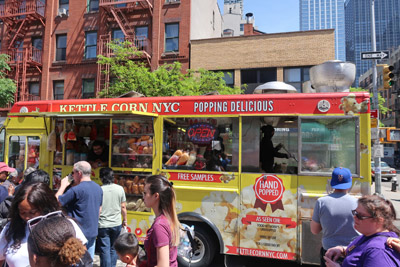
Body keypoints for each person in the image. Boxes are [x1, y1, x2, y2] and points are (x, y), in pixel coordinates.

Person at [0, 182, 87, 267]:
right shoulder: (11, 229)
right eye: (22, 212)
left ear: (45, 208)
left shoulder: (65, 225)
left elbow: (82, 257)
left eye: (32, 212)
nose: (27, 217)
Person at [324, 194, 400, 267]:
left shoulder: (378, 251)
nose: (354, 217)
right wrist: (342, 250)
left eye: (360, 216)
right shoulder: (368, 235)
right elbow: (360, 251)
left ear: (379, 221)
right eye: (355, 213)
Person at [311, 167, 360, 267]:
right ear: (350, 182)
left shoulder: (321, 202)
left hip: (329, 253)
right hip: (353, 251)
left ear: (332, 182)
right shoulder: (358, 203)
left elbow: (314, 230)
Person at [56, 160, 103, 260]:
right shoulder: (98, 188)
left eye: (73, 173)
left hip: (78, 234)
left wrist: (63, 185)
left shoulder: (76, 190)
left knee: (75, 261)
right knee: (88, 261)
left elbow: (56, 201)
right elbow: (99, 209)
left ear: (79, 173)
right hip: (92, 231)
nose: (72, 176)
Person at [143, 175, 180, 267]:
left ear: (156, 196)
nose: (143, 196)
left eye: (145, 193)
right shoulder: (166, 218)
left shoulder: (159, 226)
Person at [98, 167, 127, 267]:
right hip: (116, 223)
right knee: (113, 248)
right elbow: (123, 207)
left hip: (103, 224)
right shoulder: (120, 189)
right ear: (112, 177)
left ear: (101, 178)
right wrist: (125, 220)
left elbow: (98, 209)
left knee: (104, 249)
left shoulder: (100, 190)